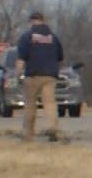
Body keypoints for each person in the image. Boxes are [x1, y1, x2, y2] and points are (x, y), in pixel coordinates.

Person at [14, 11, 65, 142]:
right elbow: (60, 57)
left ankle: (28, 134)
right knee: (50, 103)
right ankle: (52, 128)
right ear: (43, 21)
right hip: (50, 76)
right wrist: (55, 71)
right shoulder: (54, 37)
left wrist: (18, 74)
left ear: (31, 21)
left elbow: (21, 58)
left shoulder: (27, 36)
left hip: (33, 75)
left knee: (30, 105)